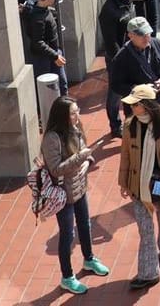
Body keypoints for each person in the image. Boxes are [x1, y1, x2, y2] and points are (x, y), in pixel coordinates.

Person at [116, 84, 160, 291]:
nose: (131, 108)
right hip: (139, 185)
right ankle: (149, 273)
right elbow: (126, 155)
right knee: (145, 229)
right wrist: (124, 183)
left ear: (146, 106)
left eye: (135, 105)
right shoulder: (130, 125)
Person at [39, 96, 107, 295]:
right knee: (67, 235)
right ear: (62, 115)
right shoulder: (52, 138)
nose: (77, 115)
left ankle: (89, 259)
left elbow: (86, 150)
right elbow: (55, 168)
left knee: (85, 224)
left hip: (80, 186)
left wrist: (88, 160)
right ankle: (67, 277)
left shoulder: (76, 129)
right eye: (73, 112)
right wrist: (80, 158)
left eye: (77, 111)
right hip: (63, 194)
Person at [106, 17, 160, 136]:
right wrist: (140, 89)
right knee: (141, 139)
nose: (146, 37)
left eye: (148, 33)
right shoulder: (121, 58)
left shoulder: (157, 44)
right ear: (130, 35)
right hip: (138, 109)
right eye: (141, 34)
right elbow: (116, 85)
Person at [19, 0, 67, 95]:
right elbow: (38, 42)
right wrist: (55, 56)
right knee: (52, 90)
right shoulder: (38, 18)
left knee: (61, 85)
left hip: (51, 54)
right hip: (45, 59)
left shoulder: (37, 8)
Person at [96, 0, 137, 69]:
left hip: (132, 53)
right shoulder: (109, 11)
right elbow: (111, 43)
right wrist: (121, 62)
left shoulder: (127, 0)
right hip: (120, 60)